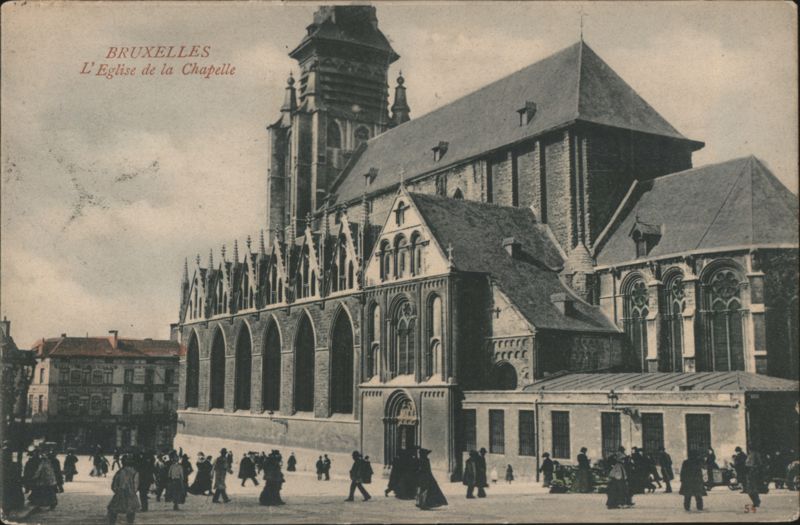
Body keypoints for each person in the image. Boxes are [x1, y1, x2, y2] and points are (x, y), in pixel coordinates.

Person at [108, 455, 140, 525]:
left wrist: (117, 491)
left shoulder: (119, 472)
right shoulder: (135, 472)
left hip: (120, 494)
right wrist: (133, 492)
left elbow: (114, 485)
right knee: (131, 511)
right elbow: (136, 484)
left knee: (113, 510)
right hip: (131, 495)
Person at [2, 443, 25, 514]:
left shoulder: (7, 454)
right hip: (10, 476)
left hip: (9, 476)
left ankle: (11, 506)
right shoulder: (11, 455)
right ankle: (13, 505)